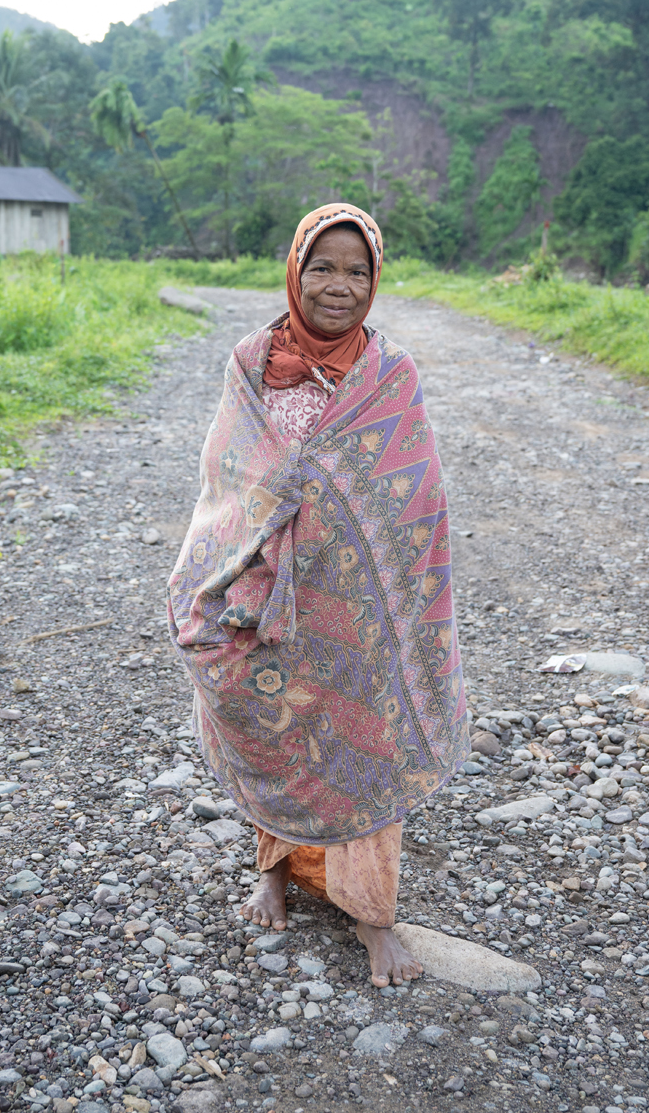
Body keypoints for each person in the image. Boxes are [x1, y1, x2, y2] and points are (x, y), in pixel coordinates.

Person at [168, 202, 468, 986]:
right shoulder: (251, 362)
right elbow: (226, 483)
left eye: (356, 270)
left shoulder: (389, 374)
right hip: (262, 590)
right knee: (274, 724)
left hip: (359, 602)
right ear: (295, 270)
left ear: (375, 281)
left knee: (363, 739)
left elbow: (414, 500)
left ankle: (372, 914)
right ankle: (274, 867)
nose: (339, 285)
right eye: (322, 267)